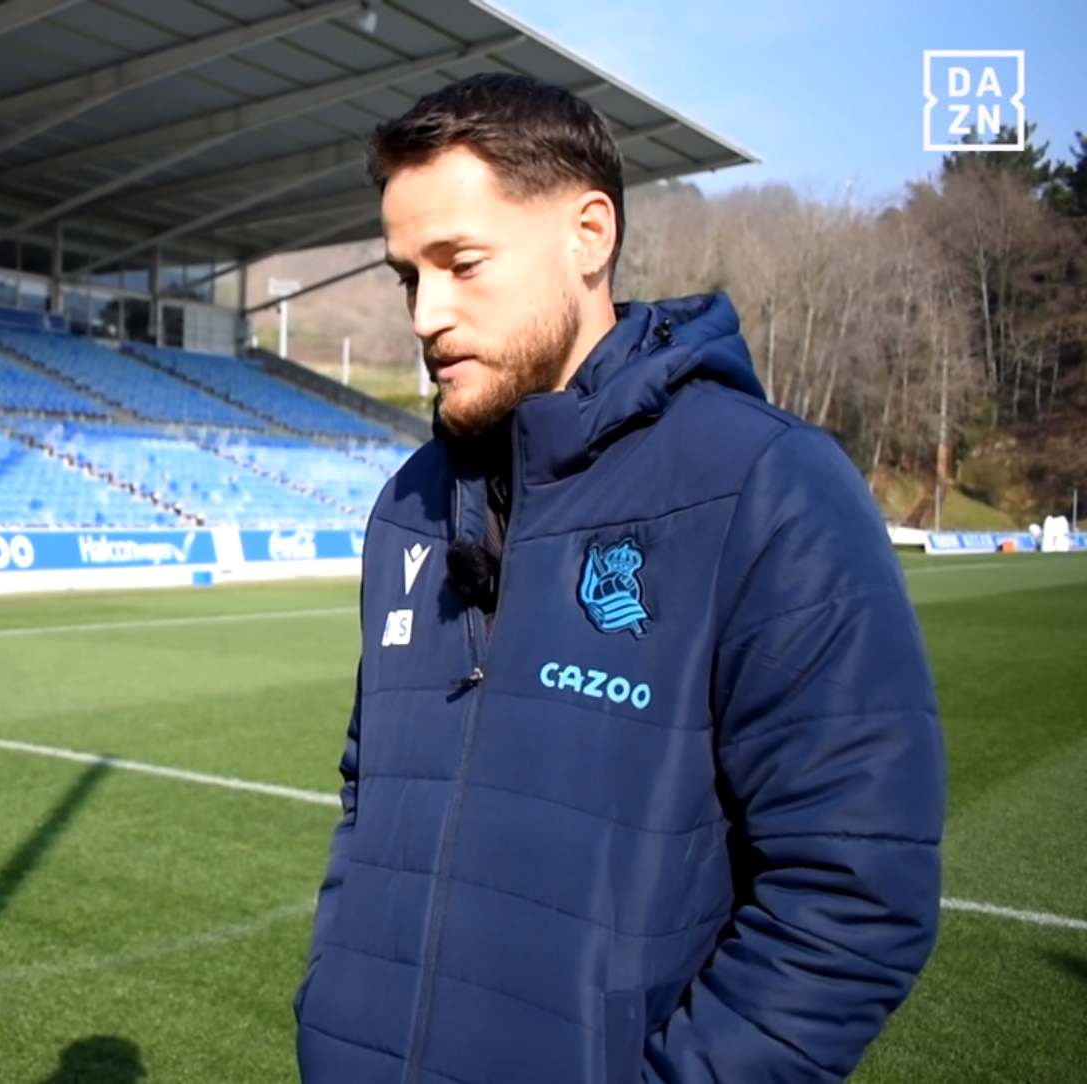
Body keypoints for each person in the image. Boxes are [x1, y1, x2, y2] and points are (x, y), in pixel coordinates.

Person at [296, 74, 945, 1084]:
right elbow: (367, 793)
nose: (427, 314)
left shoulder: (764, 484)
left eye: (461, 264)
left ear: (587, 236)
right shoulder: (407, 508)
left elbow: (854, 889)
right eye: (405, 277)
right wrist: (332, 1008)